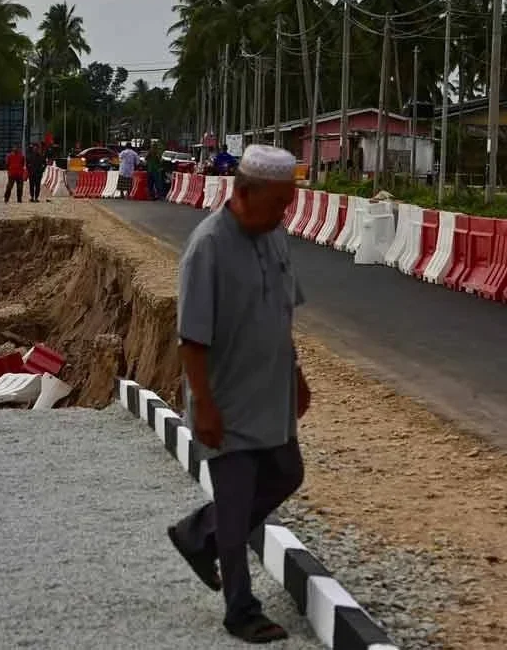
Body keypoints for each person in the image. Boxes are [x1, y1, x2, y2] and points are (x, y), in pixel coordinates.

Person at [167, 143, 310, 645]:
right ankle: (240, 610)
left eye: (288, 203)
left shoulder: (274, 235)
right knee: (236, 501)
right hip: (225, 401)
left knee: (288, 472)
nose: (284, 213)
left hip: (269, 393)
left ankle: (198, 535)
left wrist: (296, 374)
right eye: (278, 203)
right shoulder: (208, 248)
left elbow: (282, 313)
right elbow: (191, 338)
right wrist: (203, 403)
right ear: (243, 194)